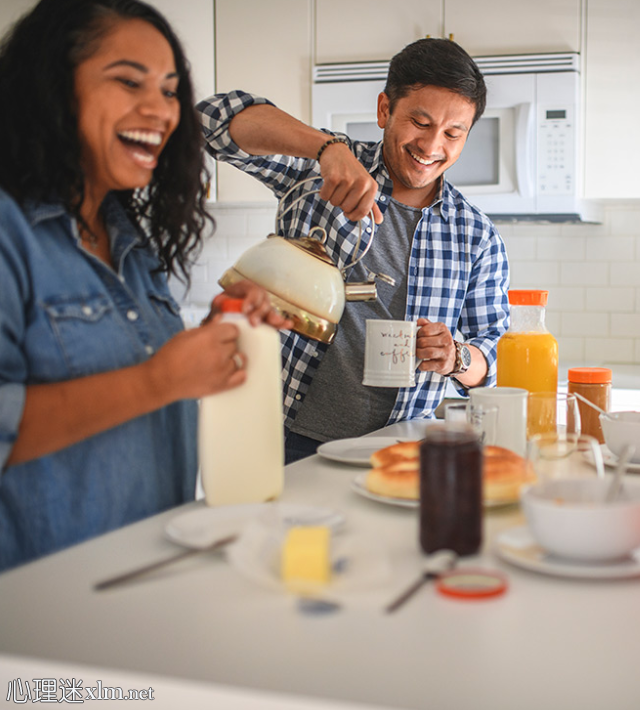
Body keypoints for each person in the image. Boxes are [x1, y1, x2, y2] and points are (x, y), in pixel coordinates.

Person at [0, 0, 287, 573]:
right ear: (50, 91)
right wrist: (158, 380)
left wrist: (218, 338)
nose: (159, 110)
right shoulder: (10, 231)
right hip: (42, 615)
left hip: (150, 578)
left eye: (169, 90)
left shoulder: (124, 236)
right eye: (129, 81)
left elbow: (136, 379)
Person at [197, 38, 511, 463]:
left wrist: (455, 355)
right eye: (420, 122)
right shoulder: (324, 170)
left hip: (405, 446)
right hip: (290, 434)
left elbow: (493, 356)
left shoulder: (475, 235)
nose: (433, 146)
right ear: (385, 110)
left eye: (453, 133)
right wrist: (326, 148)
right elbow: (212, 122)